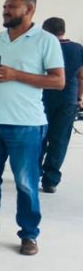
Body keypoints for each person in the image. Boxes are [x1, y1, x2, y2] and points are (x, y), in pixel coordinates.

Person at [0, 0, 64, 255]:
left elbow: (58, 81)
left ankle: (29, 235)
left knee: (26, 182)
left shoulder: (46, 41)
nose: (5, 10)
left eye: (12, 6)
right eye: (4, 6)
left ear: (29, 9)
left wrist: (15, 74)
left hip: (26, 124)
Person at [39, 17, 83, 193]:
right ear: (62, 30)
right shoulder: (78, 49)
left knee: (39, 135)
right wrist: (79, 98)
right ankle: (50, 180)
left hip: (43, 97)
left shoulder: (44, 47)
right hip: (68, 99)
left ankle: (33, 172)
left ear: (46, 31)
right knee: (60, 140)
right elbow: (81, 76)